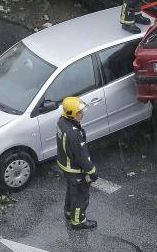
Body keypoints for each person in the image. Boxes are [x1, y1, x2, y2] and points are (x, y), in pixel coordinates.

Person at [57, 97, 99, 230]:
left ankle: (68, 212)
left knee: (72, 190)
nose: (82, 114)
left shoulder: (62, 122)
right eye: (79, 112)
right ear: (71, 113)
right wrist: (92, 172)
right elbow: (82, 156)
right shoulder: (74, 133)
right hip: (75, 169)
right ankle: (78, 221)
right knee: (81, 195)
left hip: (65, 164)